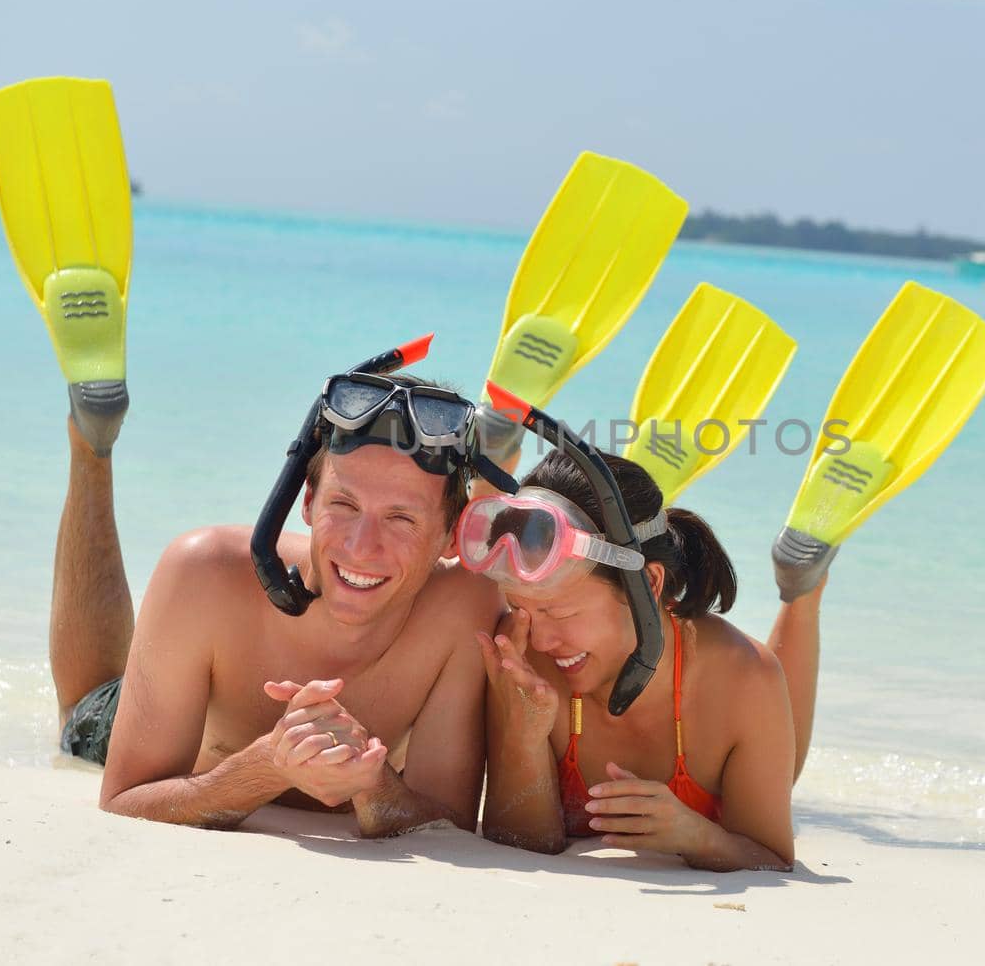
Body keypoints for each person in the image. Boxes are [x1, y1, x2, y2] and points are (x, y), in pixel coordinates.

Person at [51, 359, 507, 834]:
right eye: (343, 505)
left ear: (455, 534)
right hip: (156, 727)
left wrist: (373, 785)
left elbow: (448, 823)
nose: (359, 547)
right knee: (83, 704)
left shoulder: (465, 606)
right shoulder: (204, 572)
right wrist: (268, 766)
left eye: (401, 519)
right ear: (307, 501)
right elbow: (126, 798)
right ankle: (91, 447)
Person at [466, 446, 825, 872]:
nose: (540, 640)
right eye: (521, 609)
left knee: (785, 761)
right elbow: (522, 841)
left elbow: (772, 859)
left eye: (561, 612)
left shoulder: (741, 677)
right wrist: (522, 736)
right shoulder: (523, 656)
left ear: (650, 582)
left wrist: (697, 835)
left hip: (742, 686)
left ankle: (801, 585)